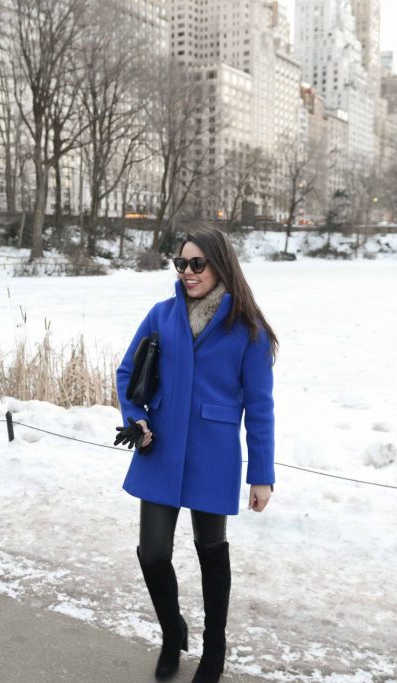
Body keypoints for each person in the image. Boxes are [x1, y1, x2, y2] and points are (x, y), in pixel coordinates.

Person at [115, 227, 277, 683]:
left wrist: (261, 475)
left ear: (220, 265)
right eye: (181, 264)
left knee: (211, 550)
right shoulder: (162, 315)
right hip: (159, 445)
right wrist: (136, 416)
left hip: (214, 451)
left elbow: (260, 408)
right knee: (152, 552)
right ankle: (172, 633)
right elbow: (127, 372)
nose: (187, 272)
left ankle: (214, 648)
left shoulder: (247, 329)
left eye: (196, 264)